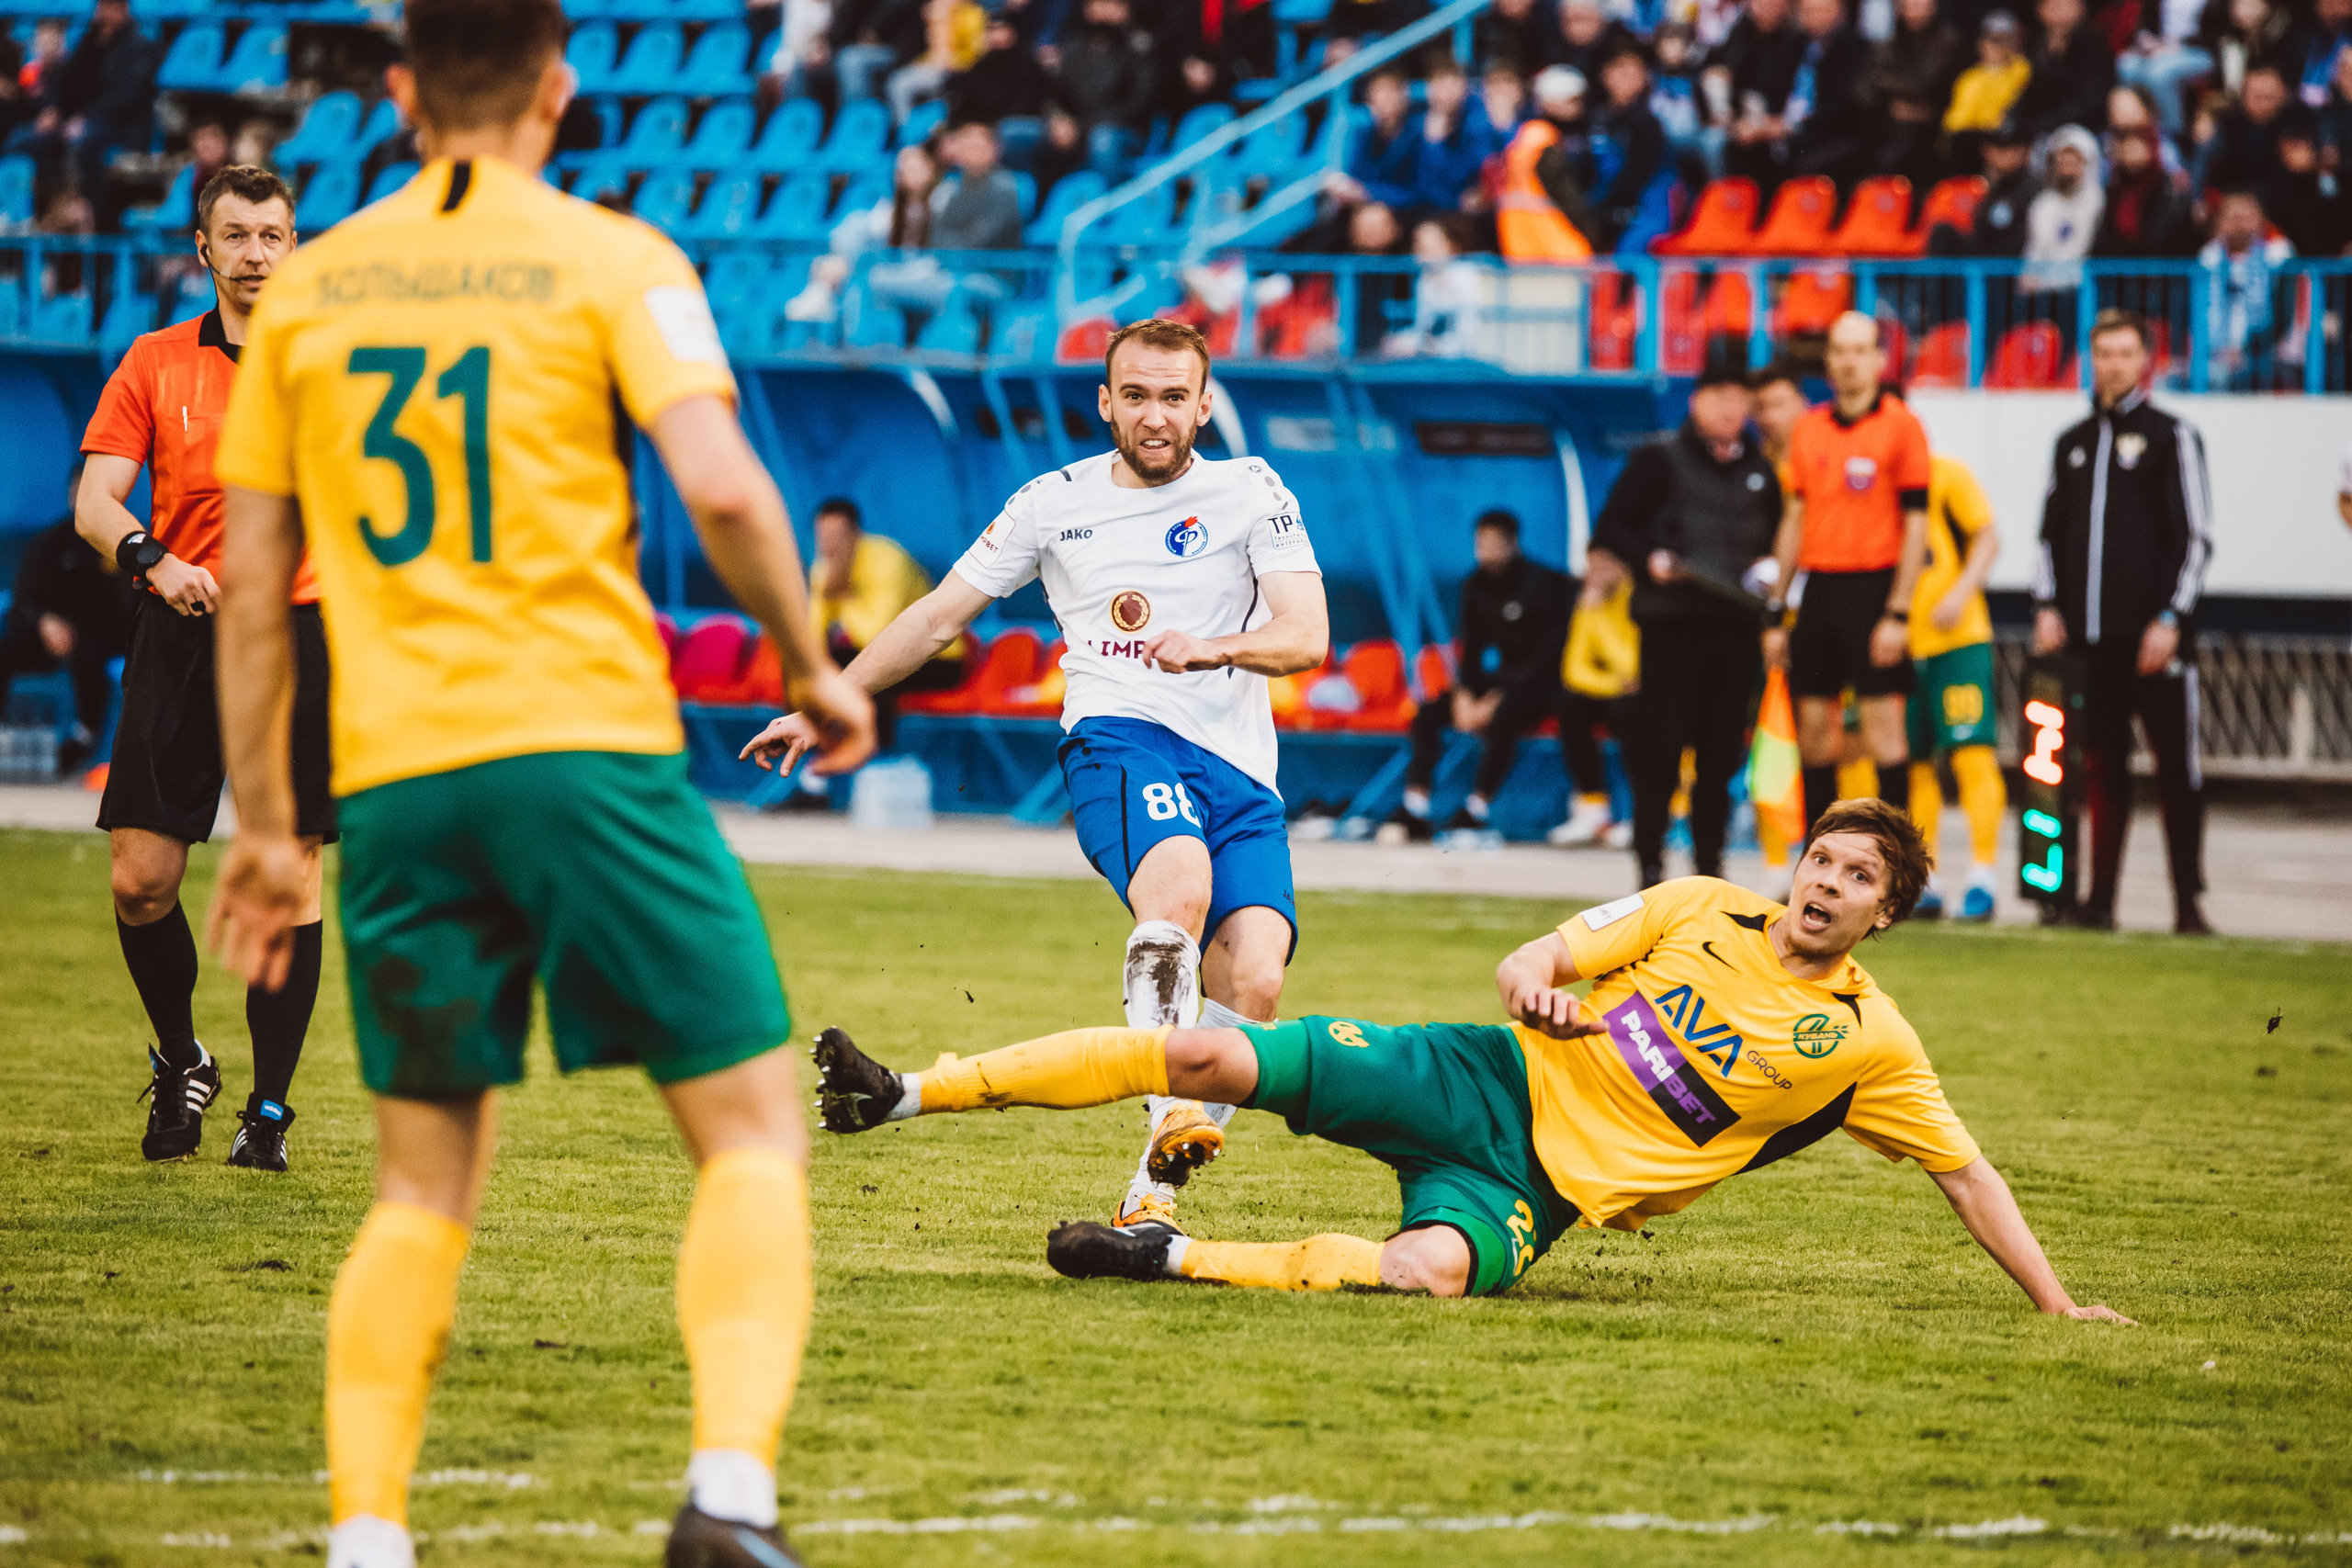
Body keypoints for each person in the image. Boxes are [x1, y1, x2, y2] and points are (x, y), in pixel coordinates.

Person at [203, 3, 876, 1562]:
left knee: (421, 1182)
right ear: (561, 91)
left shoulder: (305, 293)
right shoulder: (613, 259)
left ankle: (370, 1534)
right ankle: (728, 1494)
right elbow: (716, 481)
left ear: (396, 91)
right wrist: (811, 663)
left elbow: (250, 591)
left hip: (398, 781)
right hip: (583, 753)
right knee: (753, 1132)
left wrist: (258, 820)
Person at [808, 799, 2138, 1328]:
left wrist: (2058, 1303)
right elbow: (1531, 957)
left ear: (1882, 914)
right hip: (1481, 1077)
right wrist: (1544, 991)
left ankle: (1158, 1255)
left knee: (1431, 1273)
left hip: (1538, 1190)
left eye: (1855, 879)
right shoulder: (1698, 902)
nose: (1823, 884)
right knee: (1211, 1046)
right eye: (1820, 860)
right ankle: (905, 1090)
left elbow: (1966, 1172)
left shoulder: (1868, 1043)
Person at [741, 319, 1328, 1235]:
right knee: (1177, 887)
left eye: (1174, 396)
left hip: (1243, 775)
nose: (1154, 414)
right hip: (1118, 740)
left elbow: (1306, 634)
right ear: (1105, 402)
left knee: (1254, 980)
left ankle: (1153, 1195)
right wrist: (825, 702)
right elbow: (936, 616)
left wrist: (1214, 647)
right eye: (1134, 395)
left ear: (1204, 406)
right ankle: (1167, 1107)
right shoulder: (1049, 504)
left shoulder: (1253, 492)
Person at [73, 166, 323, 1172]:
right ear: (204, 247)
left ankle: (267, 1114)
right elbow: (97, 500)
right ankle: (182, 1059)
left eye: (274, 233)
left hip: (300, 637)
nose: (257, 252)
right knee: (142, 881)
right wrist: (152, 559)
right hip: (181, 630)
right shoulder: (155, 360)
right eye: (238, 234)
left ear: (294, 244)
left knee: (289, 876)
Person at [2030, 310, 2211, 935]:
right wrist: (2048, 606)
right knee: (2101, 771)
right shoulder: (2071, 441)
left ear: (2145, 361)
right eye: (2102, 352)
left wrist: (2171, 618)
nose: (2112, 364)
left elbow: (2195, 538)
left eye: (2124, 352)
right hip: (2090, 643)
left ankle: (2188, 902)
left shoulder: (2171, 437)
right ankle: (2098, 899)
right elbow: (2047, 536)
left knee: (2176, 773)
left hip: (2156, 642)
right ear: (2092, 358)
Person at [1587, 358, 1781, 888]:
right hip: (1671, 629)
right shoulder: (1660, 460)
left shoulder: (1760, 471)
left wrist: (1770, 574)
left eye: (1738, 395)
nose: (1728, 406)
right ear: (1695, 402)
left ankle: (1708, 872)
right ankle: (1650, 870)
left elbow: (1779, 539)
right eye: (1717, 394)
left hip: (1734, 629)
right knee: (1661, 755)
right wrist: (1650, 557)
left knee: (1720, 760)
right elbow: (1611, 527)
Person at [1766, 311, 1930, 842]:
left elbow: (1917, 524)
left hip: (1874, 589)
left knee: (1885, 731)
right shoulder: (1809, 427)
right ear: (1828, 361)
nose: (1849, 362)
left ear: (1881, 360)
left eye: (1860, 351)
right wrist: (1776, 608)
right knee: (1814, 733)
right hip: (1820, 590)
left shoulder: (1901, 426)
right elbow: (1795, 518)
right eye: (1839, 350)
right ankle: (1817, 856)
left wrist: (1898, 612)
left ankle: (1895, 863)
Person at [1386, 510, 1600, 844]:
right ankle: (1416, 808)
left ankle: (1476, 810)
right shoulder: (1474, 586)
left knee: (1506, 714)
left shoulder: (1545, 585)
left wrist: (1495, 698)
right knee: (1428, 712)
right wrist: (1464, 695)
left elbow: (1548, 658)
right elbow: (1469, 651)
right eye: (1480, 543)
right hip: (1499, 682)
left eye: (1493, 543)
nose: (1486, 550)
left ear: (1512, 544)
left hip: (1541, 686)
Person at [1904, 451, 2006, 923]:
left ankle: (1984, 876)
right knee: (1914, 764)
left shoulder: (1945, 474)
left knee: (1971, 755)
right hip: (1900, 645)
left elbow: (1987, 538)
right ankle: (1927, 879)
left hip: (1958, 641)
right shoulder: (1875, 484)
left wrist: (1961, 592)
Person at [808, 497, 966, 754]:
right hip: (890, 655)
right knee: (818, 673)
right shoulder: (824, 568)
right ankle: (816, 771)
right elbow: (813, 638)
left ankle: (875, 760)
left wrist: (843, 595)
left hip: (941, 658)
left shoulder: (889, 561)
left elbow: (876, 636)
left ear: (855, 534)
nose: (829, 545)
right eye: (822, 536)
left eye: (836, 536)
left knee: (872, 673)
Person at [0, 467, 132, 775]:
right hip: (51, 636)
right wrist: (45, 622)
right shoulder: (50, 542)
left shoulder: (124, 541)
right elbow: (23, 599)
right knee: (5, 651)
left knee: (93, 655)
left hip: (105, 640)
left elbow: (131, 605)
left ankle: (84, 739)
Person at [3, 0, 155, 220]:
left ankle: (94, 214)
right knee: (22, 139)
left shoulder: (139, 47)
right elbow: (69, 82)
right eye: (102, 6)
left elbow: (128, 96)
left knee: (82, 143)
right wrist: (56, 110)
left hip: (121, 128)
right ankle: (43, 211)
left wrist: (86, 117)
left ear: (124, 9)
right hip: (81, 120)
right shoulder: (90, 41)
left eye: (112, 6)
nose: (105, 12)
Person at [2198, 186, 2298, 387]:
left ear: (2260, 219)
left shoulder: (2278, 255)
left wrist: (2252, 348)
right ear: (2220, 222)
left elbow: (2287, 309)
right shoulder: (2208, 258)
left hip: (2268, 350)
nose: (2240, 224)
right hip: (2217, 352)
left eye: (2246, 217)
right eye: (2233, 217)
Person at [1497, 64, 1598, 260]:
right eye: (1571, 100)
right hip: (1559, 249)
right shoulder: (1545, 142)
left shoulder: (1526, 136)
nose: (1578, 106)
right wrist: (1592, 234)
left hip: (1520, 250)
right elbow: (1567, 197)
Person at [2013, 0, 2117, 138]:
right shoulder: (2036, 47)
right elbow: (2027, 96)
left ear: (2082, 7)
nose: (2058, 12)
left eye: (2067, 3)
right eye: (2051, 4)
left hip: (2087, 131)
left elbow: (2092, 104)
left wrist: (2041, 125)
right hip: (2042, 129)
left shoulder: (2094, 45)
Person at [1943, 13, 2032, 172]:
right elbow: (1955, 122)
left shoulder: (2023, 70)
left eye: (2003, 41)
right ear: (1981, 43)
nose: (1996, 47)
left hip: (2007, 136)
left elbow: (2016, 109)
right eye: (1991, 40)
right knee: (1959, 142)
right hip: (1978, 141)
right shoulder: (1969, 78)